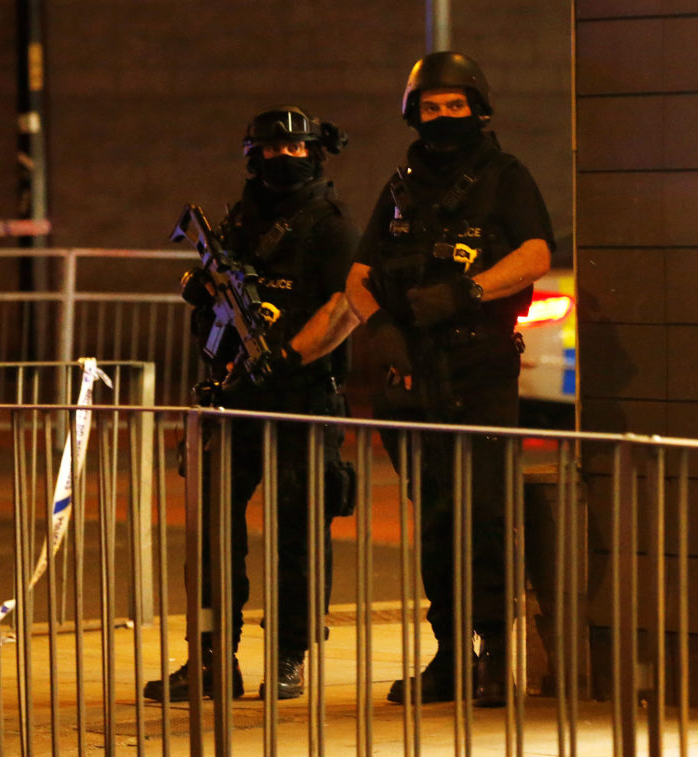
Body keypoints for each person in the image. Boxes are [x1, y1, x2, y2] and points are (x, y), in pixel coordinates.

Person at [345, 51, 554, 706]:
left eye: (453, 105)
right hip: (414, 372)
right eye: (430, 107)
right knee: (435, 517)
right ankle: (451, 654)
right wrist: (380, 327)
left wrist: (468, 291)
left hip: (480, 363)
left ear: (477, 108)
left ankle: (494, 651)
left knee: (486, 510)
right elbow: (360, 274)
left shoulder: (504, 176)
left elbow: (536, 253)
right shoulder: (401, 186)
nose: (442, 116)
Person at [144, 105, 361, 702]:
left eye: (294, 150)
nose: (283, 159)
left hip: (302, 397)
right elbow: (213, 285)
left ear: (314, 154)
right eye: (270, 150)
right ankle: (212, 658)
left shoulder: (332, 224)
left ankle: (289, 657)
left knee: (299, 535)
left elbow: (345, 307)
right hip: (231, 395)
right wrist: (201, 286)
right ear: (253, 156)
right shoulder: (240, 219)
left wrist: (287, 356)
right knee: (213, 534)